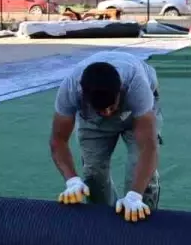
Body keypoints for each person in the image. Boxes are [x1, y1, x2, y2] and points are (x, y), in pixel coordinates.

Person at [49, 51, 162, 222]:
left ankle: (142, 228)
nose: (108, 113)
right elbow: (58, 140)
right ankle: (103, 226)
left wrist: (135, 196)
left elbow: (148, 147)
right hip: (93, 120)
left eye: (111, 107)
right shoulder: (71, 89)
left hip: (135, 113)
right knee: (93, 176)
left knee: (140, 180)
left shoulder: (136, 85)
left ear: (120, 91)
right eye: (102, 109)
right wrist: (72, 180)